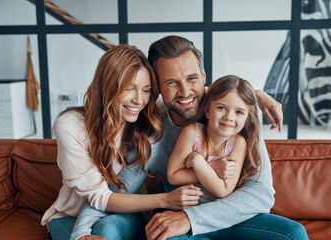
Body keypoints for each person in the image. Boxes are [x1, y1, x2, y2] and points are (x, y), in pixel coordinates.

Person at [144, 35, 308, 239]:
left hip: (230, 218)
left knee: (294, 233)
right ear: (157, 86)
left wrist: (191, 218)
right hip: (183, 221)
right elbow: (116, 189)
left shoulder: (239, 121)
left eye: (192, 78)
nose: (185, 91)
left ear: (204, 77)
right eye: (171, 82)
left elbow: (260, 194)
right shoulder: (150, 129)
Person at [41, 44, 203, 240]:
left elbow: (192, 96)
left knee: (108, 229)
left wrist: (248, 97)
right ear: (107, 87)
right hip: (71, 216)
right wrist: (166, 200)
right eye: (129, 89)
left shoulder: (148, 115)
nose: (138, 100)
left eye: (146, 90)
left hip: (128, 211)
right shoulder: (70, 125)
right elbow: (99, 197)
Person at [167, 75, 262, 206]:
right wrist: (213, 167)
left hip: (221, 212)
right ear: (207, 111)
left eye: (239, 112)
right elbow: (173, 176)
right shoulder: (192, 132)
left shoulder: (238, 143)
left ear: (247, 119)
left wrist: (197, 161)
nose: (229, 117)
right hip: (188, 211)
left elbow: (223, 190)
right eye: (221, 108)